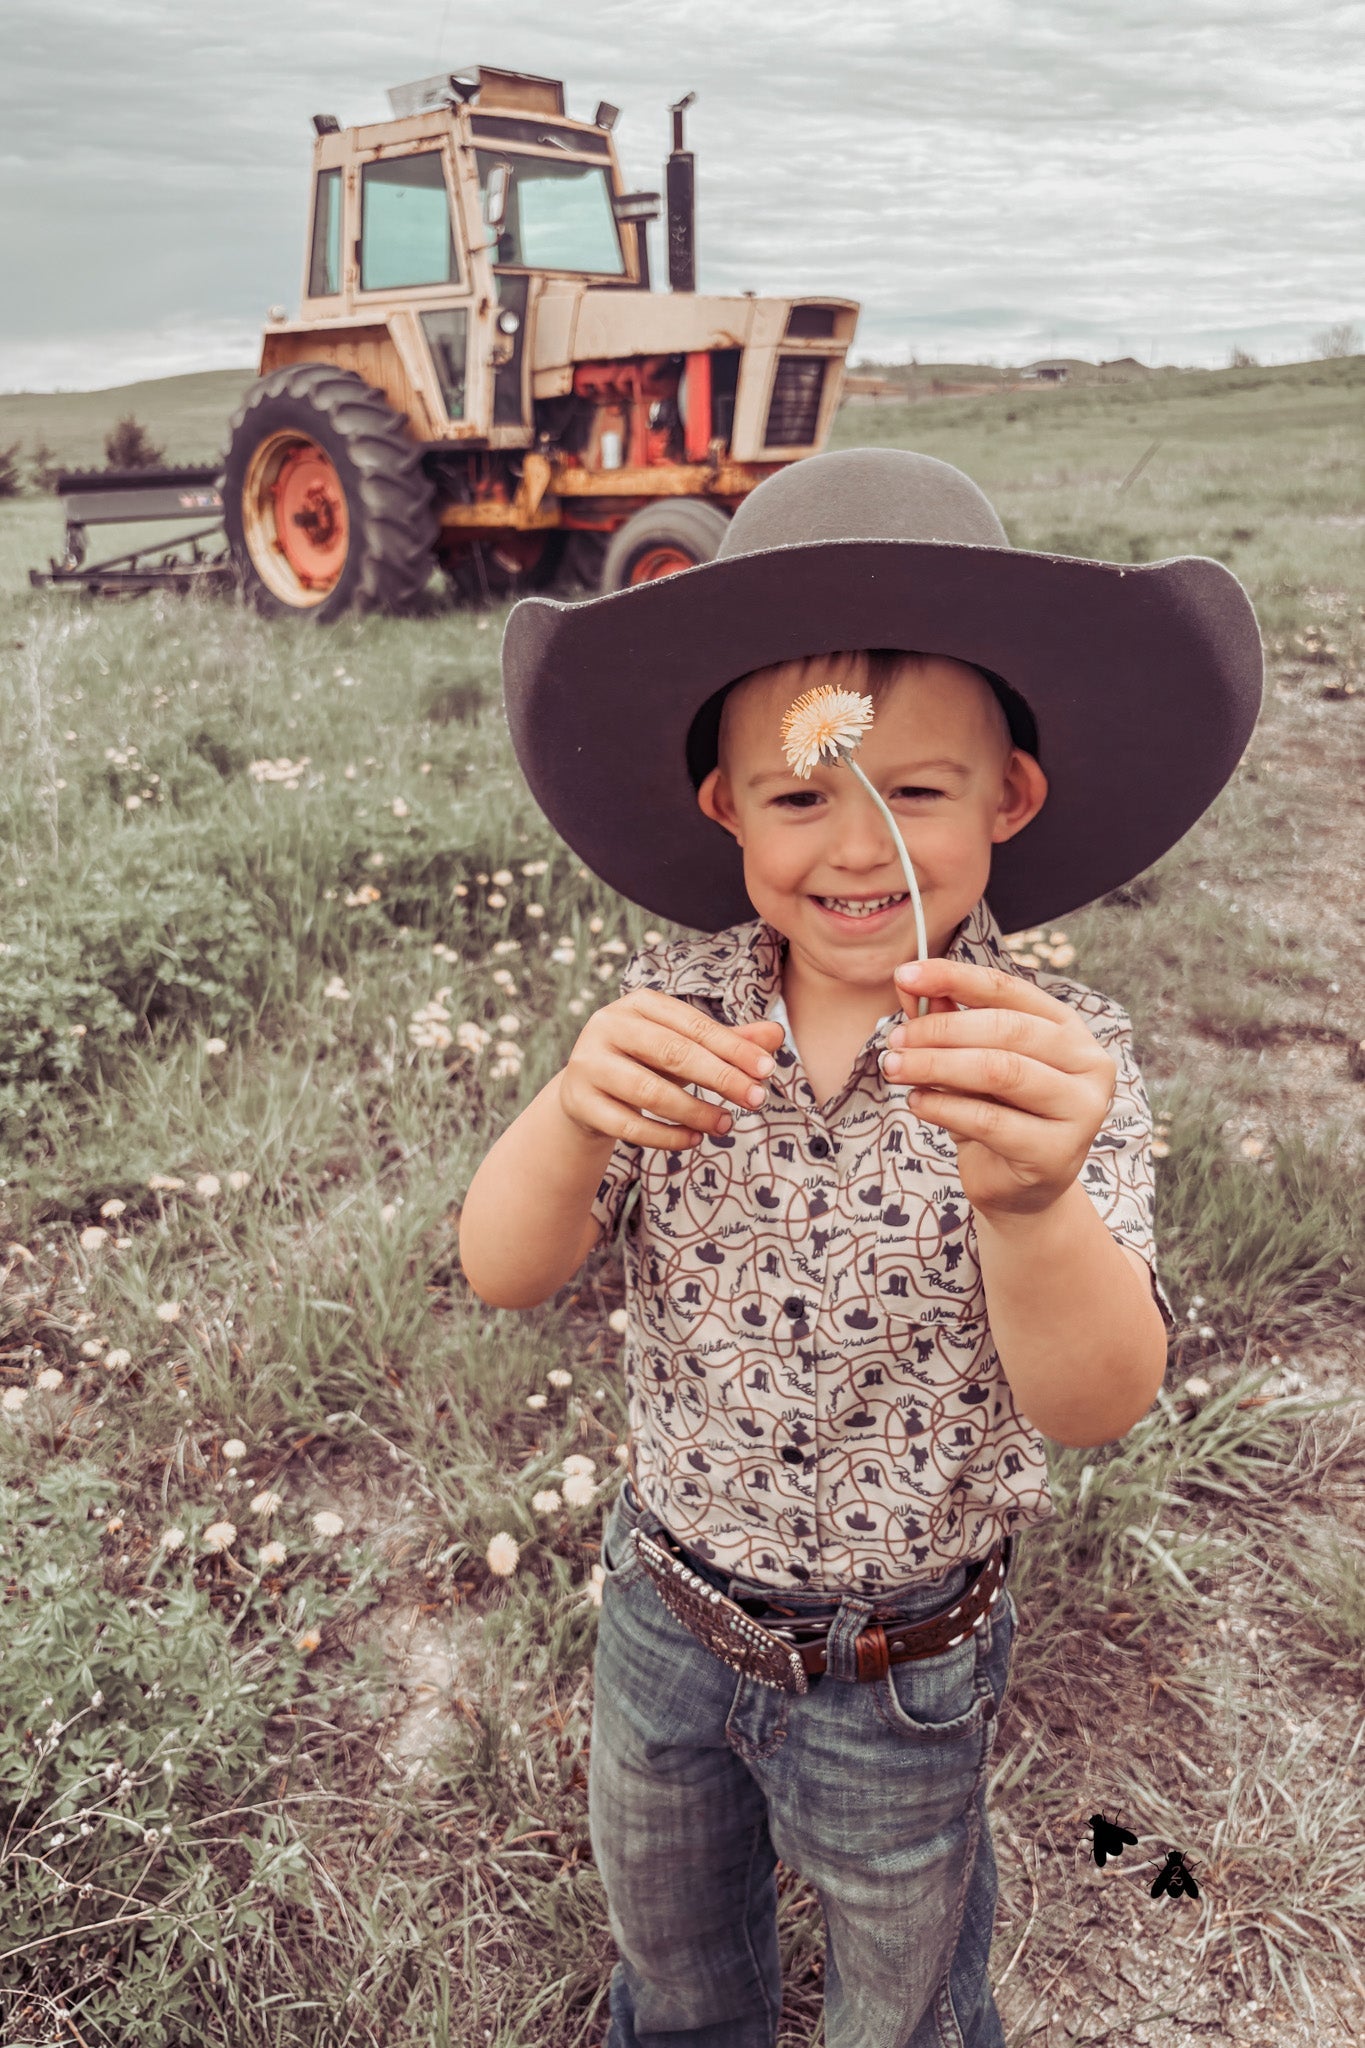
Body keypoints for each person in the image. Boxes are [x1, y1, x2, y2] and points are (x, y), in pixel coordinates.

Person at [459, 448, 1262, 2048]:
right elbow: (501, 1267)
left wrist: (1029, 1204)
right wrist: (565, 1111)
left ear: (1007, 800)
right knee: (672, 1973)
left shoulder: (1051, 1062)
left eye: (915, 791)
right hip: (665, 1619)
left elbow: (1094, 1400)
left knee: (900, 2005)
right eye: (801, 790)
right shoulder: (674, 1023)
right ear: (724, 806)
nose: (853, 846)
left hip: (906, 1669)